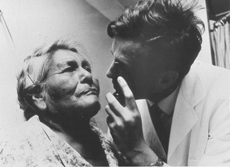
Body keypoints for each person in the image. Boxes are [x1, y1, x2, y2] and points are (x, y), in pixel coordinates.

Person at [105, 0, 230, 166]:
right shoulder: (127, 106)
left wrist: (138, 150)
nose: (109, 73)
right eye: (114, 58)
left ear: (166, 79)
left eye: (123, 67)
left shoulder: (224, 95)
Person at [0, 39, 124, 167]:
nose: (88, 75)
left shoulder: (111, 146)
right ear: (39, 97)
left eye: (87, 68)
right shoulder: (15, 149)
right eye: (69, 69)